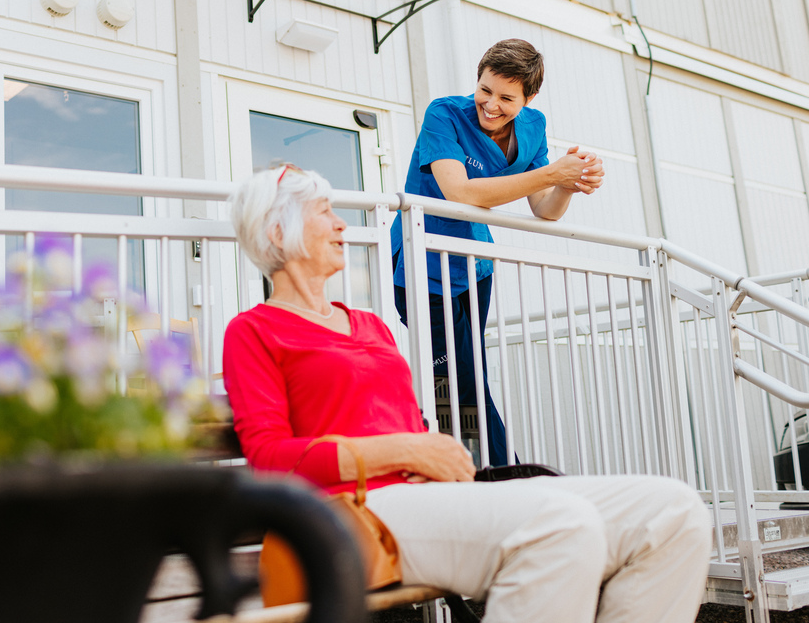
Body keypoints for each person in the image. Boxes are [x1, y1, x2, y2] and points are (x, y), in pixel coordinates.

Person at [223, 165, 708, 623]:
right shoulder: (254, 332)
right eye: (324, 212)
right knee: (559, 524)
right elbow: (270, 460)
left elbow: (405, 420)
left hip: (426, 498)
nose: (340, 225)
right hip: (349, 511)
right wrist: (407, 450)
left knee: (673, 511)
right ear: (276, 232)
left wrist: (434, 454)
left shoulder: (369, 324)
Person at [390, 39, 604, 467]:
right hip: (420, 268)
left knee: (467, 379)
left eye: (506, 98)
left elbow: (545, 209)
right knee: (457, 381)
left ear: (529, 99)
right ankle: (507, 475)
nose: (491, 104)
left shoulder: (533, 126)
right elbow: (459, 191)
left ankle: (470, 475)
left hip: (475, 268)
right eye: (485, 90)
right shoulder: (444, 114)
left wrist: (567, 183)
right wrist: (549, 172)